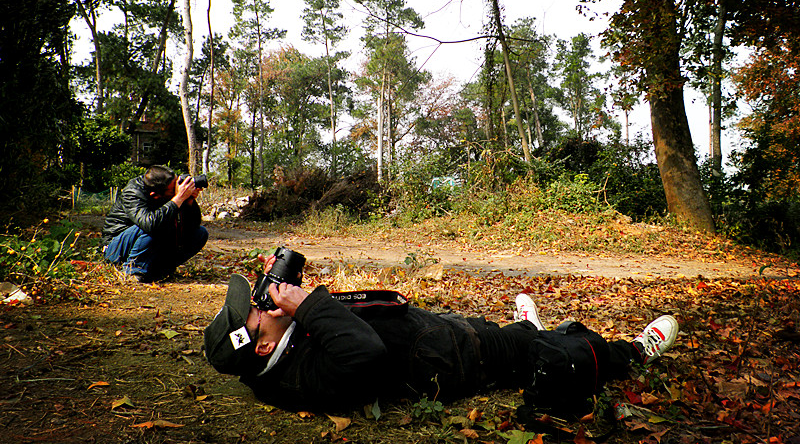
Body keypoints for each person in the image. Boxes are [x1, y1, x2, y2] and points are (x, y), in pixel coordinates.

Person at [203, 254, 679, 415]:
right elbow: (361, 348)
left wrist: (292, 291)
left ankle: (524, 329)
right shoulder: (299, 378)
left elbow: (340, 318)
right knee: (555, 351)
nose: (263, 302)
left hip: (436, 334)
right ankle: (633, 353)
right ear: (262, 345)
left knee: (498, 329)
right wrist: (303, 304)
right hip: (459, 361)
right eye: (255, 312)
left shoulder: (277, 352)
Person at [102, 165, 208, 283]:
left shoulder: (165, 191)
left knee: (200, 233)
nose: (177, 189)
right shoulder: (133, 193)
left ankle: (160, 270)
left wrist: (188, 202)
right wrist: (178, 198)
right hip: (116, 248)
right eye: (172, 189)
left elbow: (193, 225)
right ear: (155, 195)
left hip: (147, 245)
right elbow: (150, 224)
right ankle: (132, 271)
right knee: (155, 224)